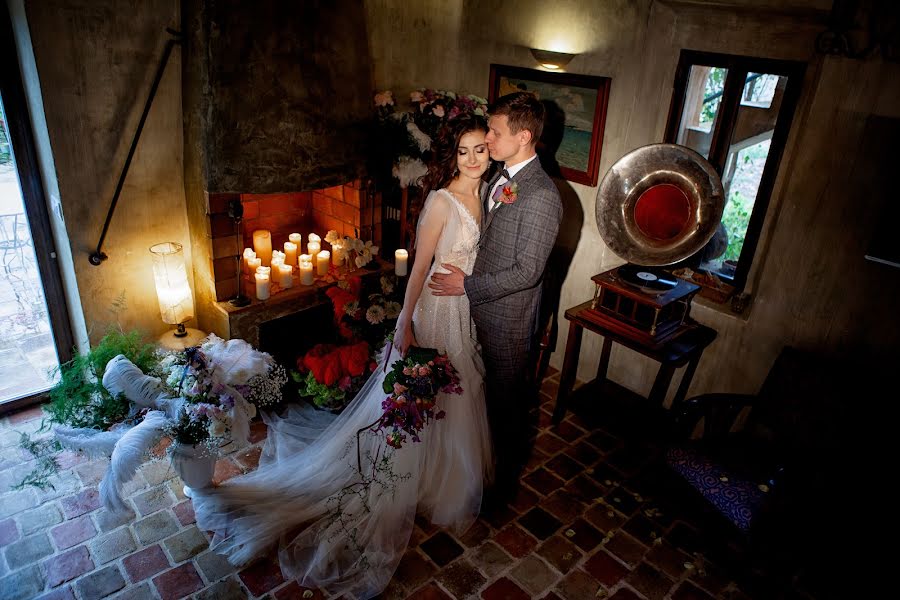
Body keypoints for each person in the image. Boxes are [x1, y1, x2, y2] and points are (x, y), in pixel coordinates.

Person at [191, 114, 493, 600]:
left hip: (463, 310)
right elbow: (417, 269)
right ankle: (400, 478)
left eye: (481, 148)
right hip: (434, 310)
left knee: (457, 392)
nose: (474, 158)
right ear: (450, 156)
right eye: (464, 151)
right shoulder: (441, 202)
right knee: (419, 396)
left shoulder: (486, 194)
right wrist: (404, 320)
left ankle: (439, 480)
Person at [430, 92, 563, 497]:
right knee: (478, 399)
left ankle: (500, 487)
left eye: (494, 130)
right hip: (474, 311)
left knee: (507, 407)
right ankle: (477, 471)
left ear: (523, 137)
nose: (487, 137)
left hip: (507, 319)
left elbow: (527, 272)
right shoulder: (499, 178)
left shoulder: (542, 196)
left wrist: (465, 285)